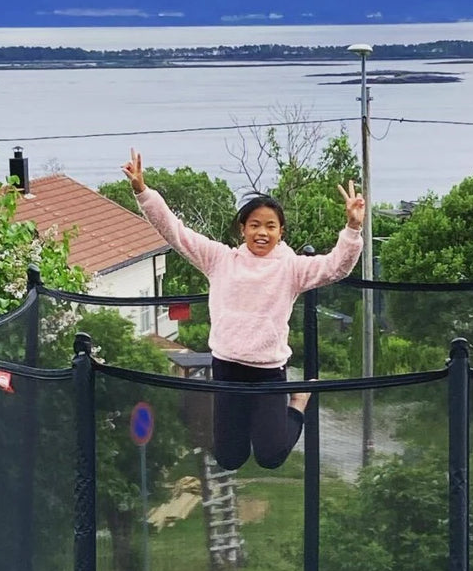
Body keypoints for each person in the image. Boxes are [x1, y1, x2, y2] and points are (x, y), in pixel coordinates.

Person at [122, 149, 364, 470]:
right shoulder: (220, 260)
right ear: (243, 229)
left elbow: (337, 267)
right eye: (255, 225)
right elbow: (176, 232)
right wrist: (143, 192)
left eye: (270, 226)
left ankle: (297, 404)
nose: (262, 232)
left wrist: (352, 228)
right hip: (227, 369)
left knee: (270, 456)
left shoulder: (291, 268)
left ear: (280, 232)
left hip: (268, 373)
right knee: (230, 458)